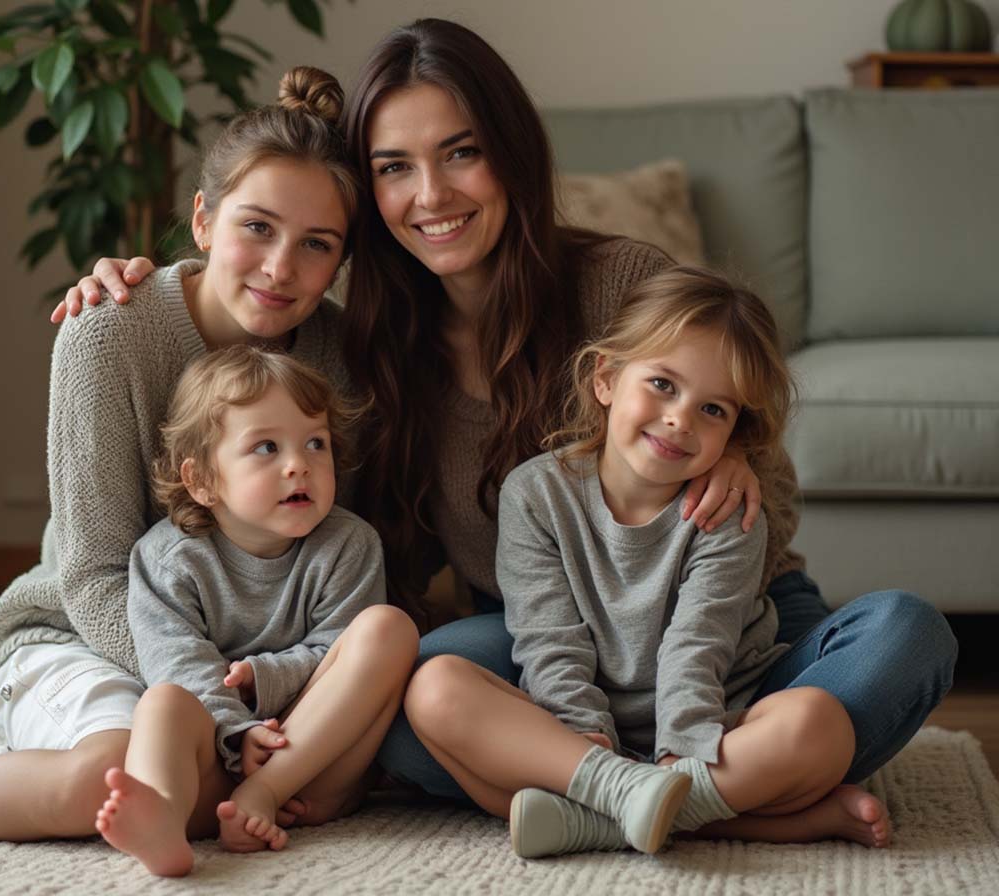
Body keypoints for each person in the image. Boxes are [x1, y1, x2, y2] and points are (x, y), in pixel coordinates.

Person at [53, 18, 955, 834]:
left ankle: (624, 802)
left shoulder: (618, 281)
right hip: (537, 648)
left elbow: (736, 417)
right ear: (368, 197)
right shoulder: (369, 344)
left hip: (724, 631)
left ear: (513, 155)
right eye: (395, 168)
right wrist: (142, 282)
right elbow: (347, 541)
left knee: (907, 636)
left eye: (462, 153)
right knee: (408, 703)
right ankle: (739, 800)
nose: (431, 194)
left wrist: (743, 463)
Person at [0, 67, 363, 843]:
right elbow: (90, 576)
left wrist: (257, 697)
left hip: (242, 673)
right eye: (256, 227)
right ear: (203, 220)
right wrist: (212, 695)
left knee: (272, 791)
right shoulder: (109, 334)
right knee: (114, 778)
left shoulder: (337, 352)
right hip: (89, 636)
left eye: (316, 245)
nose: (281, 268)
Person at [405, 267, 887, 858]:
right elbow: (548, 637)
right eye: (662, 384)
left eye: (713, 410)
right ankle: (708, 810)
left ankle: (596, 814)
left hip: (711, 727)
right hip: (576, 734)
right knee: (433, 687)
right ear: (606, 379)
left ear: (736, 430)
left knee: (821, 723)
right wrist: (584, 741)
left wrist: (678, 754)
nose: (680, 419)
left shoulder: (727, 509)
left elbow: (699, 644)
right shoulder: (535, 494)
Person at [94, 346, 416, 877]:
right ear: (201, 481)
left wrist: (262, 682)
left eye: (316, 443)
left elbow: (340, 654)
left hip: (313, 769)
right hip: (216, 775)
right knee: (163, 702)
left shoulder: (348, 544)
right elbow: (174, 660)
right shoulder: (167, 558)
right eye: (266, 447)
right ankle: (164, 822)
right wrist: (237, 731)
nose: (299, 464)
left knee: (388, 629)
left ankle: (262, 796)